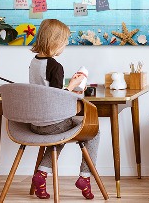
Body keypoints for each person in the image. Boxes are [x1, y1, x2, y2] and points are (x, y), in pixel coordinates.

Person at [29, 19, 99, 200]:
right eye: (65, 41)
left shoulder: (34, 62)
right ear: (55, 41)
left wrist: (68, 86)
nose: (66, 44)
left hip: (35, 123)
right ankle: (85, 177)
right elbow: (57, 98)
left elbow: (46, 91)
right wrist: (74, 85)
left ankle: (41, 175)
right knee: (94, 131)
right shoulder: (55, 66)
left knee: (59, 134)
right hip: (52, 123)